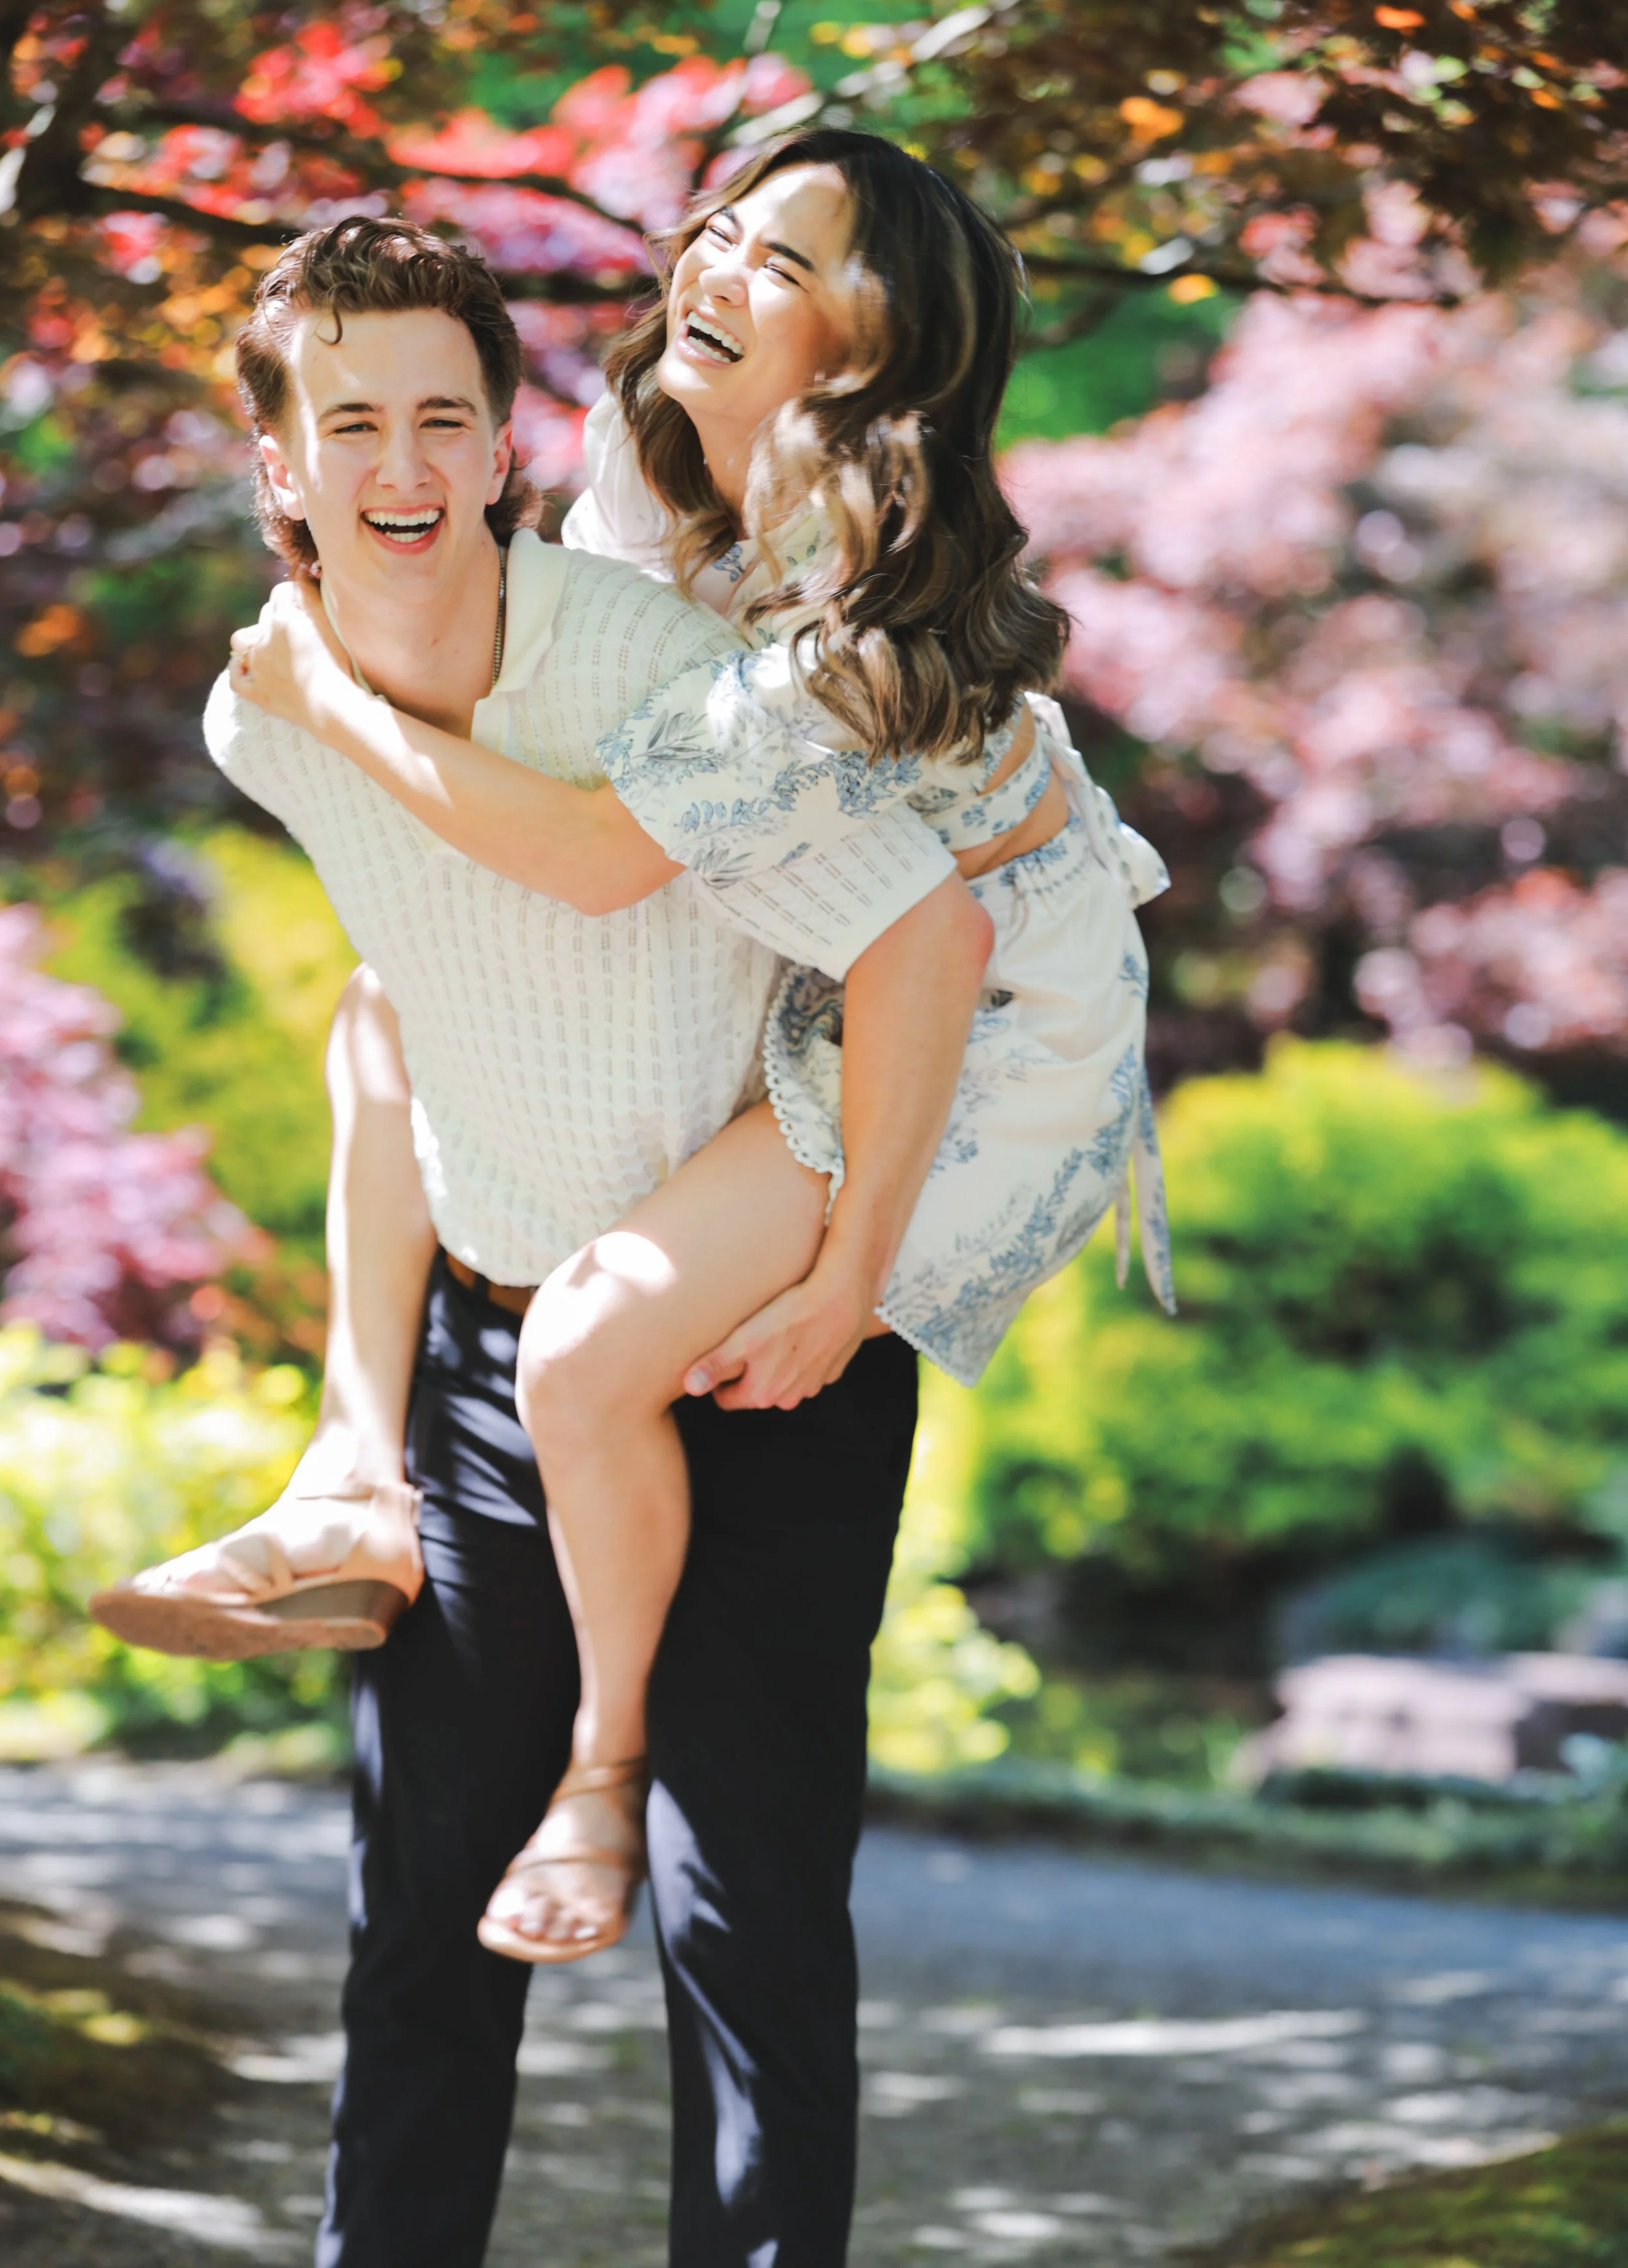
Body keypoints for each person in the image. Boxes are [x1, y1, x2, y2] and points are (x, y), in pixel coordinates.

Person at [93, 203, 991, 2268]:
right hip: (496, 1385)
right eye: (351, 426)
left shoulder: (656, 673)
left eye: (442, 419)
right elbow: (395, 1021)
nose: (399, 470)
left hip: (764, 1368)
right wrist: (363, 1423)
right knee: (416, 1927)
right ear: (280, 468)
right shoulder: (260, 728)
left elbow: (906, 931)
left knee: (741, 1923)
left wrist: (853, 1271)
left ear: (508, 444)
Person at [198, 131, 1172, 1977]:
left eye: (778, 258)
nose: (709, 264)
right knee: (388, 999)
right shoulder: (651, 486)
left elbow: (622, 858)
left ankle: (603, 1764)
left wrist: (848, 1280)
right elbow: (576, 769)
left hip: (977, 1059)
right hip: (822, 983)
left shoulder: (849, 629)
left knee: (579, 1353)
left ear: (877, 342)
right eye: (715, 227)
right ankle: (346, 1453)